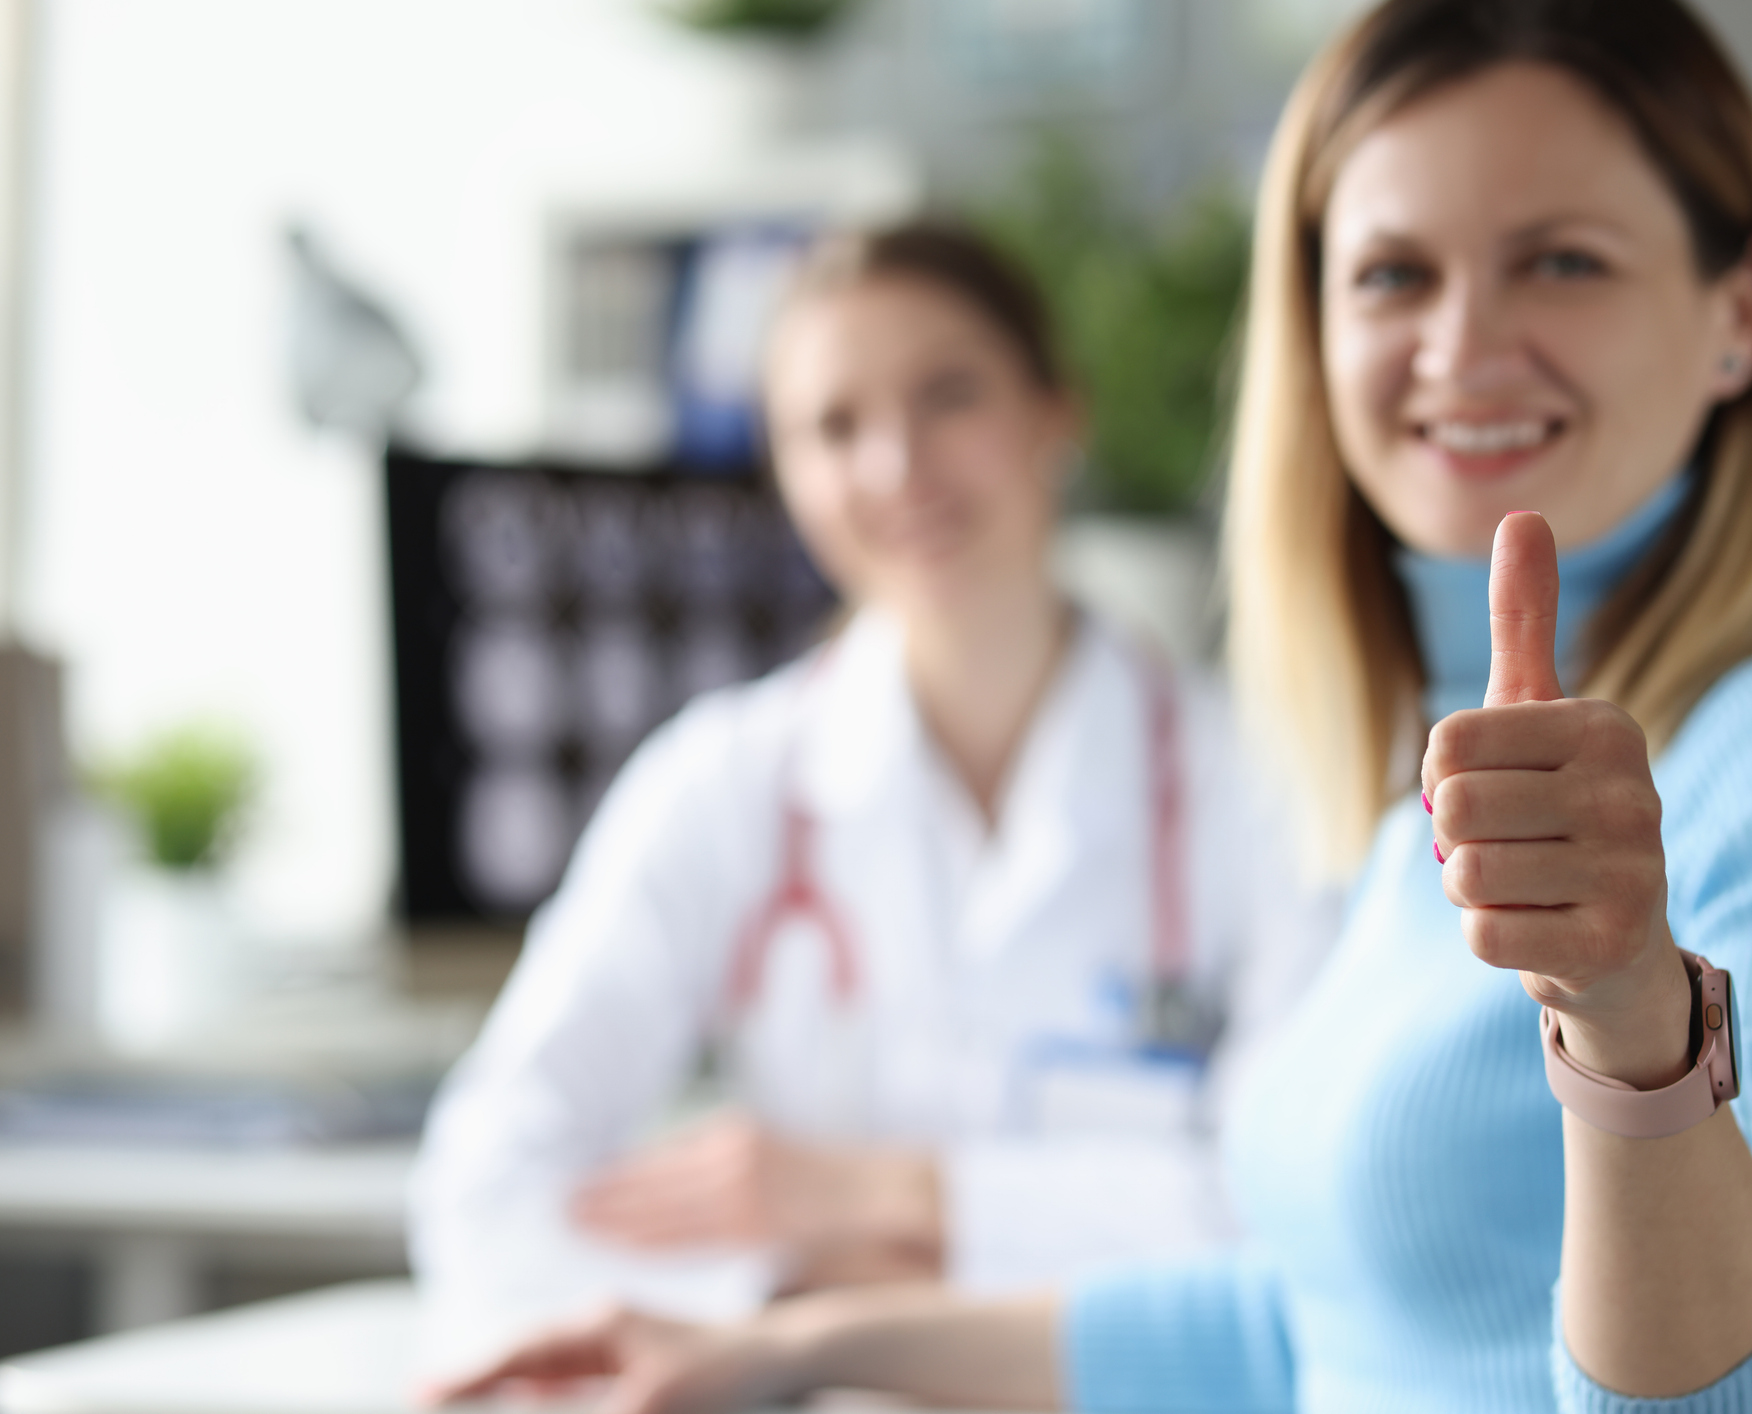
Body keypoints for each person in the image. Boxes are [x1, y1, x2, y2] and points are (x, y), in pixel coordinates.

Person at [429, 2, 1752, 1410]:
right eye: (1391, 273)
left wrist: (1629, 1022)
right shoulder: (1416, 784)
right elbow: (1305, 1330)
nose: (1460, 345)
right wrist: (791, 1351)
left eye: (1563, 258)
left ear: (1740, 315)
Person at [410, 224, 1340, 1365]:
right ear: (783, 474)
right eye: (832, 427)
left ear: (1058, 413)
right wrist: (789, 1298)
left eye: (947, 396)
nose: (896, 466)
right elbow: (488, 1182)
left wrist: (873, 1195)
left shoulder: (1257, 777)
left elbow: (1302, 1217)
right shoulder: (724, 781)